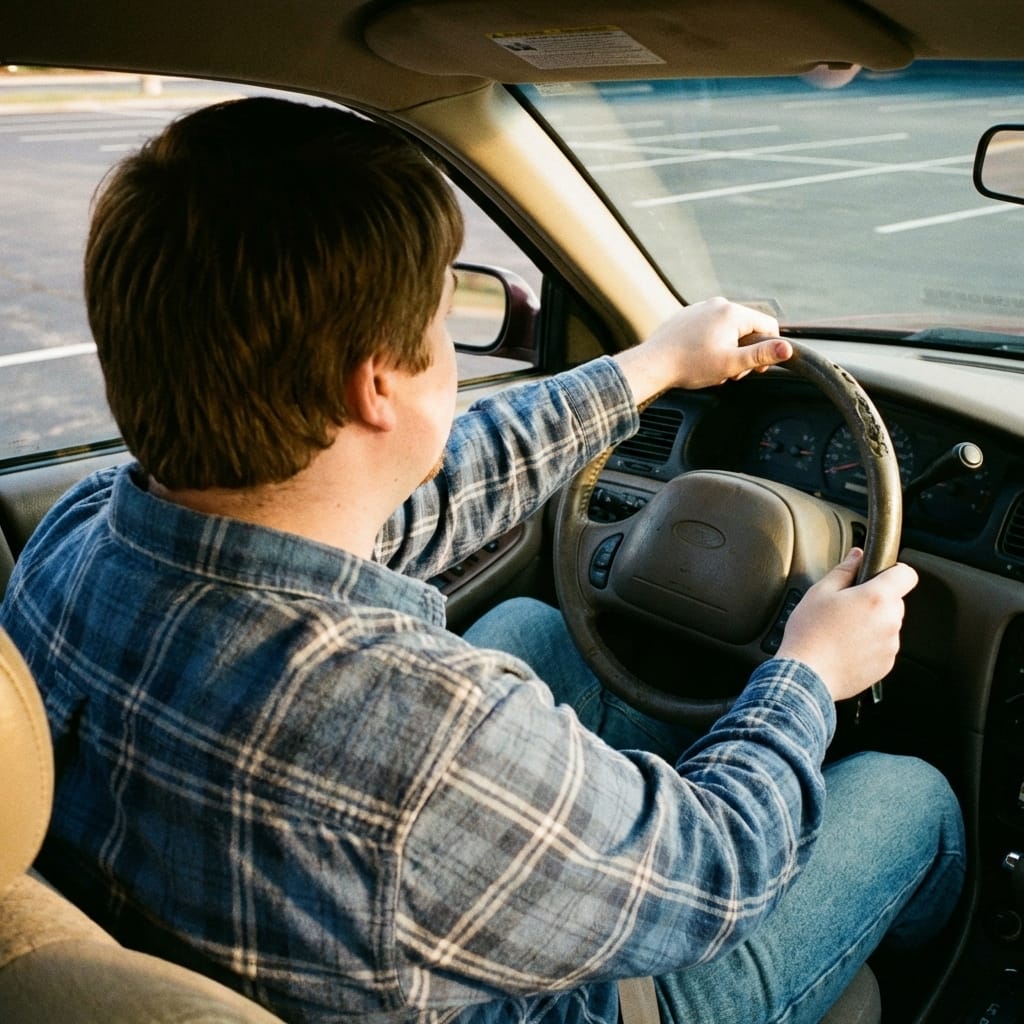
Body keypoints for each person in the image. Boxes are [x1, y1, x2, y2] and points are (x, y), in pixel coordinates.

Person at [0, 96, 964, 1024]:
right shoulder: (417, 730)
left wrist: (655, 365)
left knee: (539, 629)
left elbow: (438, 481)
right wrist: (807, 672)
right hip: (589, 1003)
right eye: (439, 322)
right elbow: (716, 868)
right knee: (909, 796)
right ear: (376, 384)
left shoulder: (77, 536)